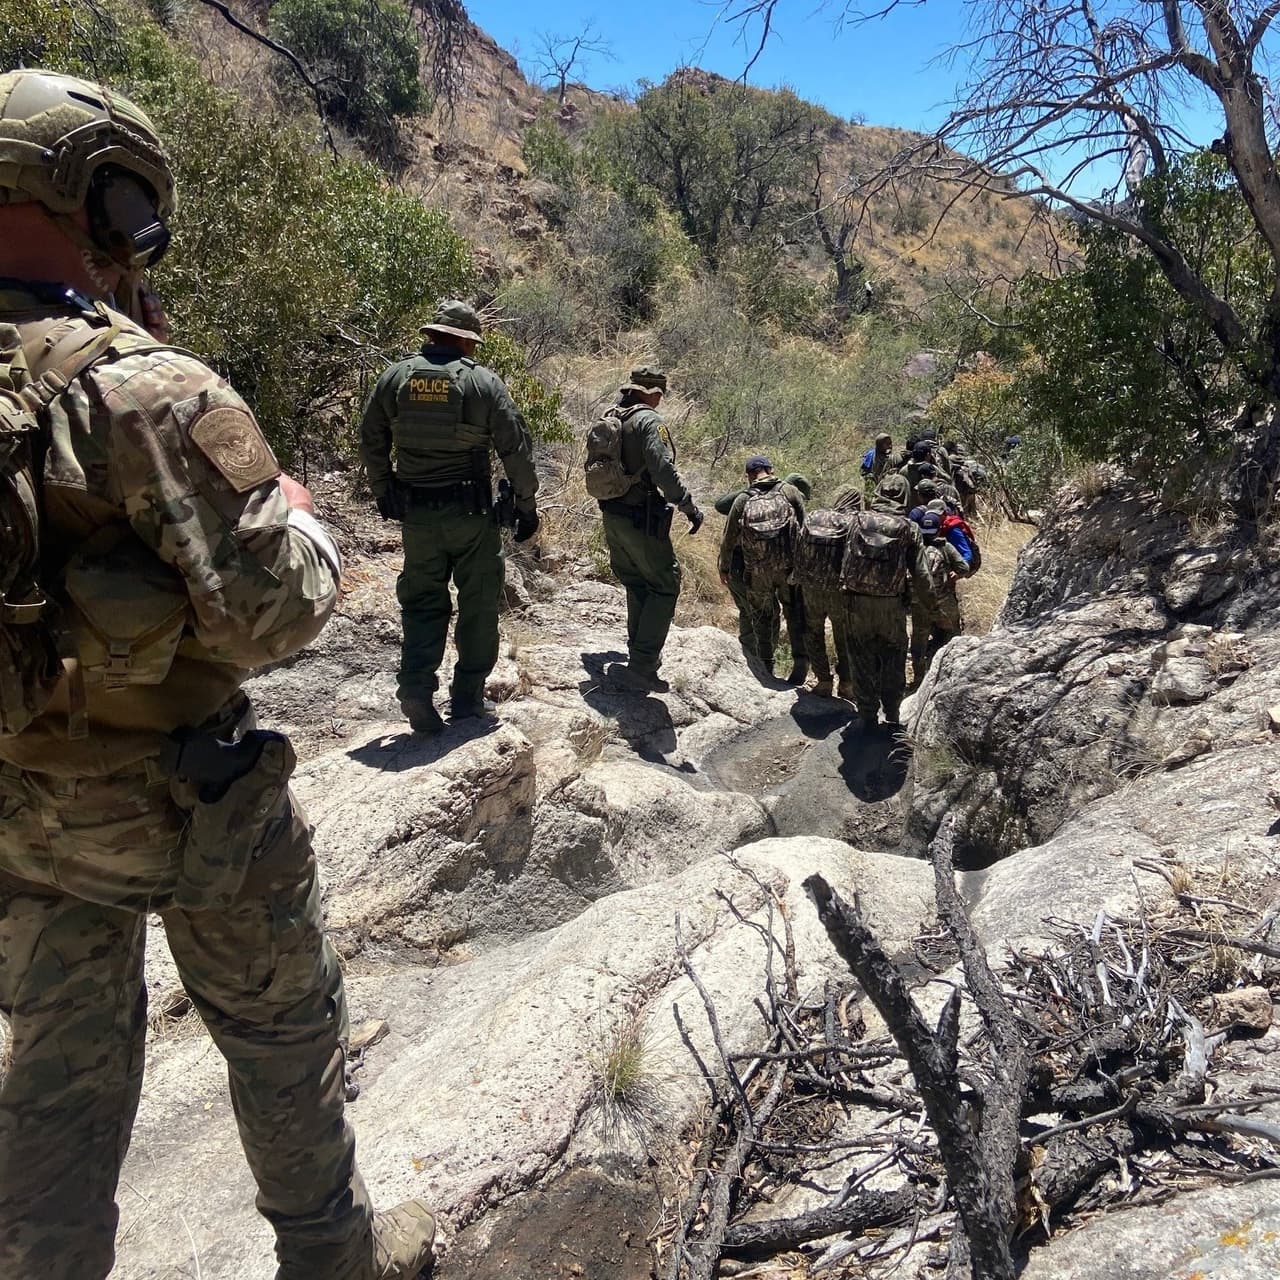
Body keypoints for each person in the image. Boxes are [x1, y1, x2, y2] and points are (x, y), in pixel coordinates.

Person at [0, 68, 434, 1279]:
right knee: (281, 1028)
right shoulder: (148, 388)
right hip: (190, 806)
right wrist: (303, 519)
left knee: (56, 1077)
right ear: (99, 189)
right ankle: (331, 1255)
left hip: (20, 810)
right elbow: (268, 616)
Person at [360, 299, 539, 734]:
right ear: (463, 339)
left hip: (417, 514)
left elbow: (371, 436)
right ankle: (467, 700)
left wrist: (384, 489)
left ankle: (417, 689)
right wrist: (526, 504)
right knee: (478, 602)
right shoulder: (481, 383)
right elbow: (514, 448)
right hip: (470, 514)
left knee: (422, 601)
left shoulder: (395, 376)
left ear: (433, 333)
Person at [593, 365, 703, 692]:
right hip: (641, 517)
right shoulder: (648, 421)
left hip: (612, 514)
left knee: (637, 583)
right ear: (653, 393)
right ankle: (642, 665)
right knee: (666, 584)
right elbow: (662, 468)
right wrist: (687, 505)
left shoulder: (613, 414)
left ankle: (639, 655)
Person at [840, 473, 935, 729]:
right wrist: (932, 607)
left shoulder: (856, 520)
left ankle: (867, 715)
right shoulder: (909, 527)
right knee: (893, 657)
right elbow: (922, 574)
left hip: (855, 603)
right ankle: (892, 712)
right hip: (891, 606)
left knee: (860, 657)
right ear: (905, 496)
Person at [718, 455, 807, 684]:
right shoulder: (789, 491)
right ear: (770, 469)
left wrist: (724, 566)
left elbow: (729, 537)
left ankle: (766, 664)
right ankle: (800, 663)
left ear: (749, 476)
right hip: (788, 569)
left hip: (757, 571)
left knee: (762, 617)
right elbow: (804, 529)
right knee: (794, 614)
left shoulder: (743, 499)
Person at [794, 484, 863, 699]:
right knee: (844, 636)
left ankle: (823, 681)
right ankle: (847, 683)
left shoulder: (815, 517)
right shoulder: (854, 522)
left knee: (813, 633)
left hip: (812, 587)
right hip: (839, 590)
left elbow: (799, 546)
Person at [909, 509, 970, 682]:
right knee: (953, 635)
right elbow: (964, 568)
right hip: (944, 601)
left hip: (919, 602)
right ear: (938, 529)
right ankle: (951, 676)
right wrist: (954, 573)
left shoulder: (914, 548)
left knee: (918, 641)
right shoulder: (945, 547)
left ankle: (919, 679)